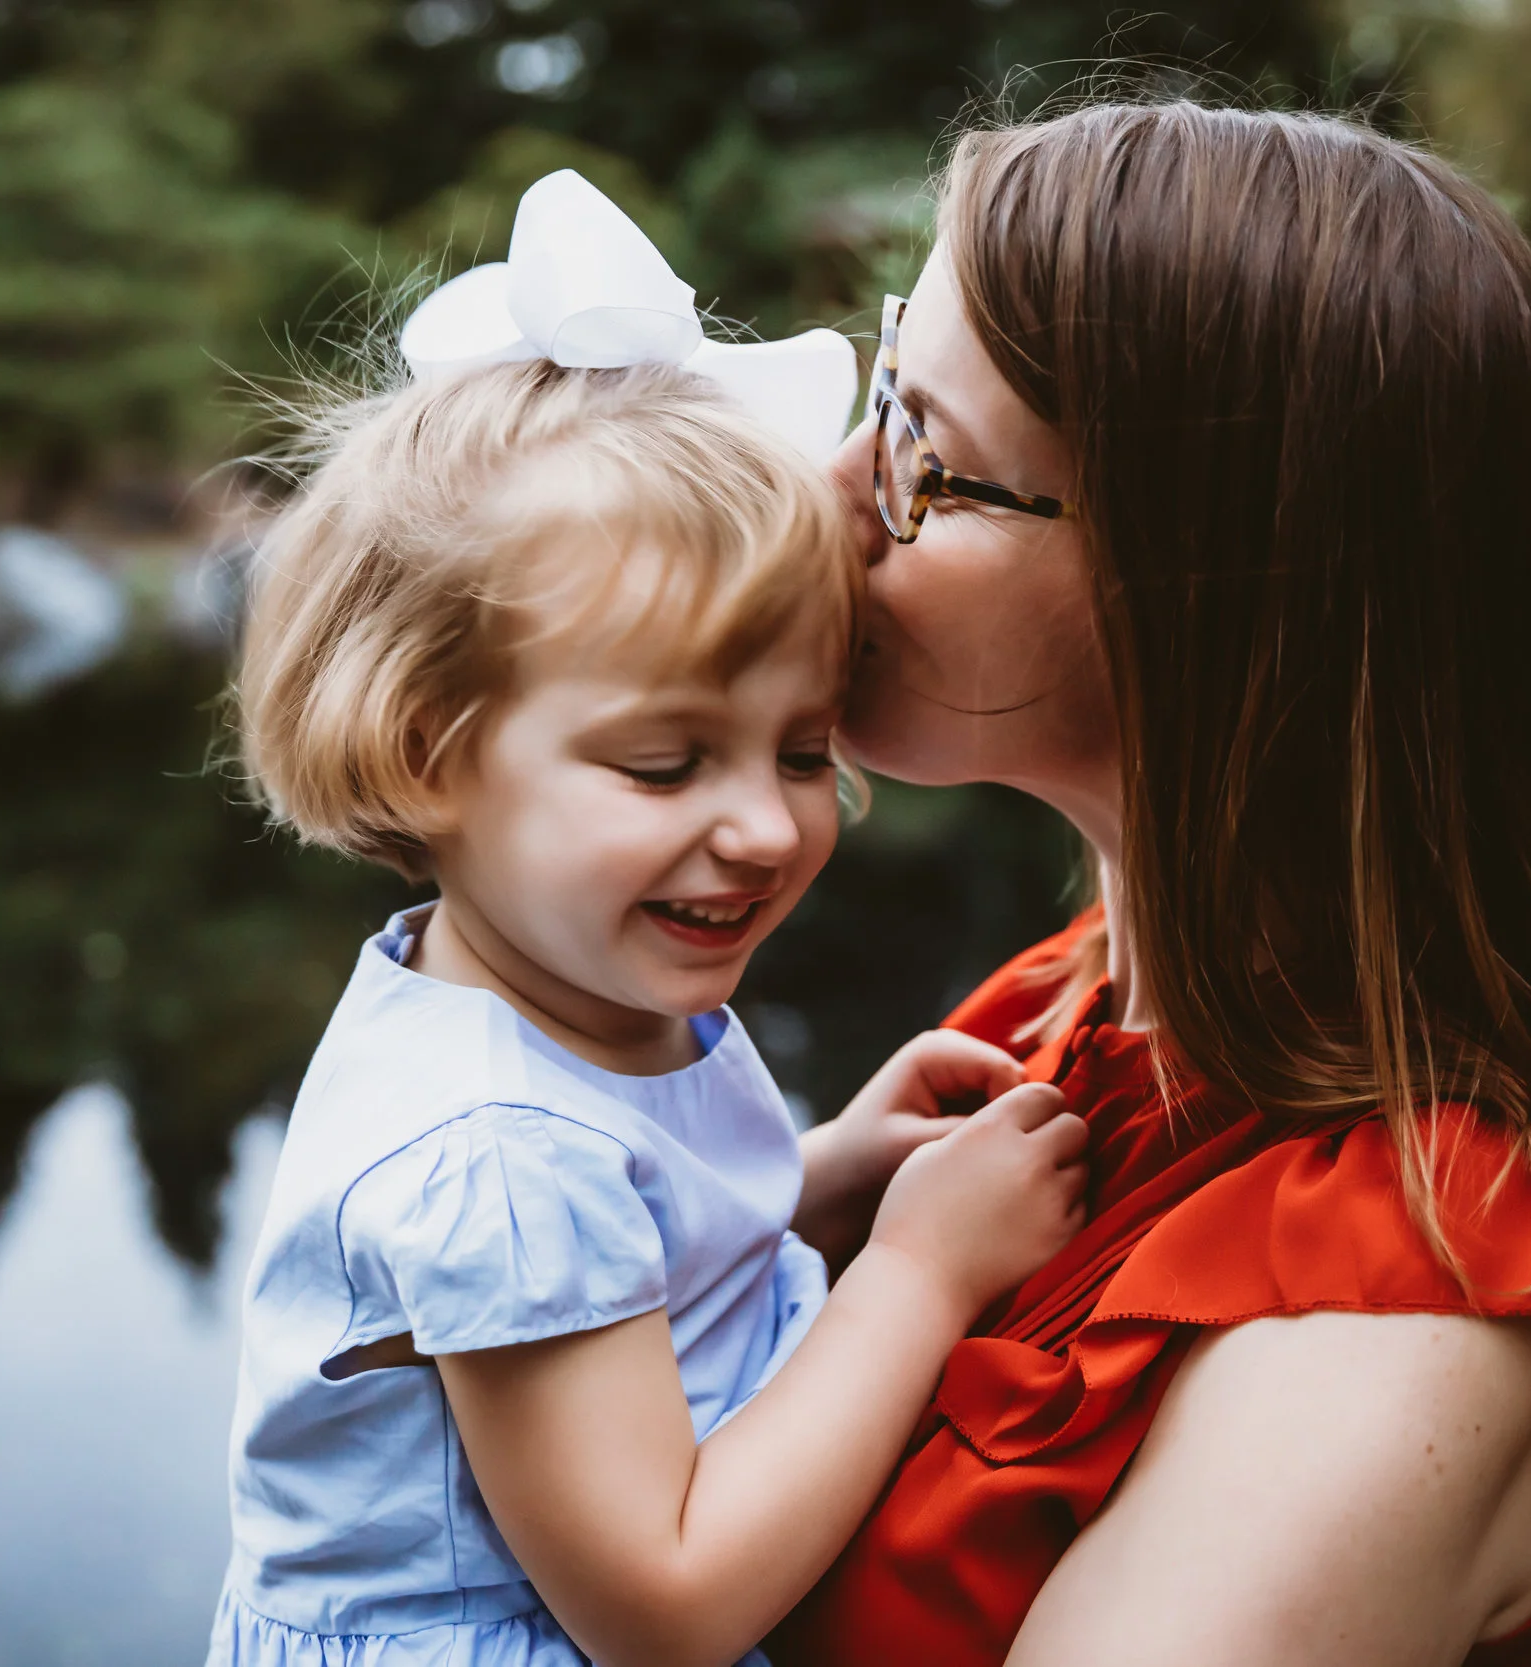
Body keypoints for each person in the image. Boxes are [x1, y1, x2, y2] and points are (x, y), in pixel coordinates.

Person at [772, 104, 1531, 1667]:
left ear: (1205, 595)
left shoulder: (1404, 1321)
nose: (837, 489)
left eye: (932, 456)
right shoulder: (1068, 1019)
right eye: (882, 394)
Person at [208, 171, 1088, 1667]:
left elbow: (618, 1274)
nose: (761, 823)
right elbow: (665, 1602)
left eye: (804, 748)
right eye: (665, 762)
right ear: (431, 752)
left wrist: (817, 1179)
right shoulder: (494, 1151)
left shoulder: (552, 986)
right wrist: (918, 1272)